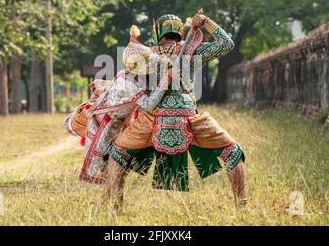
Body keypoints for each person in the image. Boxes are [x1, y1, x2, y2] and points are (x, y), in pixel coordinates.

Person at [104, 11, 247, 209]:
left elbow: (128, 76)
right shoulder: (193, 51)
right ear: (181, 32)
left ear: (157, 32)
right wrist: (206, 22)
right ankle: (243, 205)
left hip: (153, 119)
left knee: (117, 153)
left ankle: (115, 207)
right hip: (189, 118)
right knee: (233, 152)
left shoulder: (147, 54)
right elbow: (227, 43)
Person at [67, 25, 173, 188]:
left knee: (119, 161)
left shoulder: (127, 73)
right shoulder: (130, 85)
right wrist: (165, 82)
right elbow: (149, 104)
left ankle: (113, 196)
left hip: (117, 121)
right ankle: (110, 198)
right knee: (111, 160)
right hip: (108, 125)